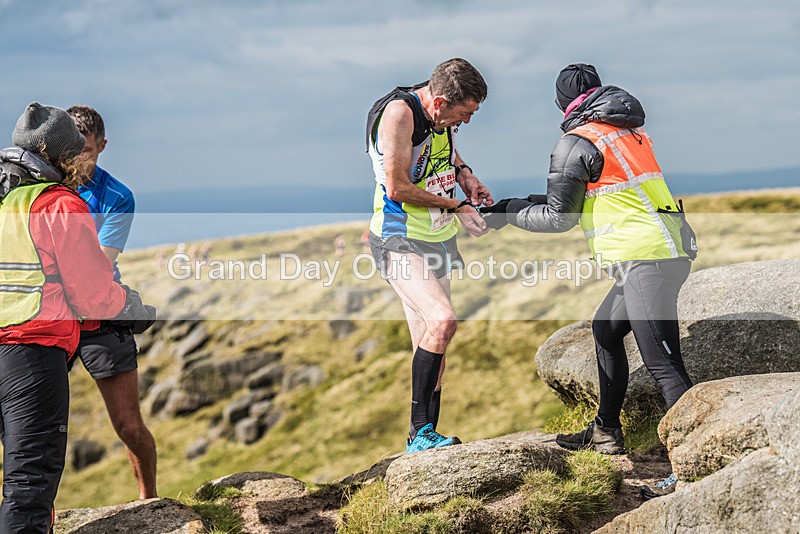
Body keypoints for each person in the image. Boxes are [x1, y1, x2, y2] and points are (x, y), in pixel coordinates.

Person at [481, 64, 697, 496]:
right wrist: (515, 203)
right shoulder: (627, 133)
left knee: (664, 366)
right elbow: (590, 195)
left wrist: (506, 215)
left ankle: (693, 465)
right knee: (605, 331)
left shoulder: (575, 141)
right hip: (664, 250)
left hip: (645, 261)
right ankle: (606, 433)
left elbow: (560, 218)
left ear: (563, 103)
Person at [0, 102, 155, 532]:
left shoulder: (6, 199)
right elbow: (91, 292)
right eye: (75, 154)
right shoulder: (58, 205)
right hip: (33, 348)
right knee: (30, 479)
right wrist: (132, 309)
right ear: (61, 155)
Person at [366, 58, 494, 453]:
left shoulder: (438, 109)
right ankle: (421, 434)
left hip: (437, 239)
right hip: (398, 237)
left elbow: (447, 154)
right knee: (443, 322)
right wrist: (456, 207)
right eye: (464, 113)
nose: (466, 121)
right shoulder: (400, 115)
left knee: (429, 337)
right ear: (439, 102)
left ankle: (422, 436)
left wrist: (467, 177)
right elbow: (398, 187)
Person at [66, 105, 158, 500]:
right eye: (72, 149)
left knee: (128, 425)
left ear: (102, 146)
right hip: (50, 316)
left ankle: (150, 500)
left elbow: (100, 267)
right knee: (29, 425)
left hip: (100, 314)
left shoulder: (118, 196)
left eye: (86, 150)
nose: (78, 159)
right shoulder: (41, 188)